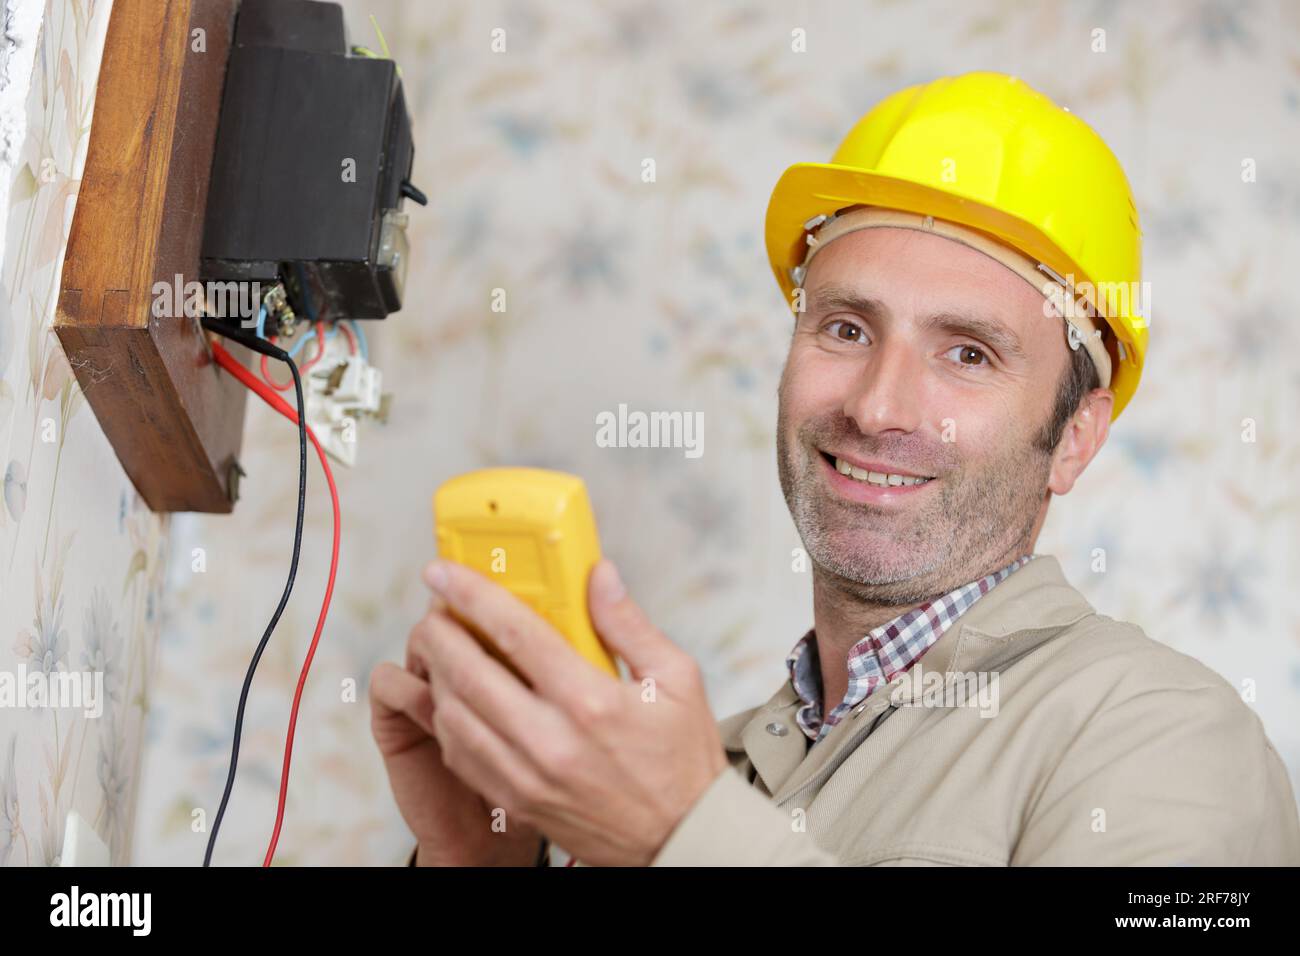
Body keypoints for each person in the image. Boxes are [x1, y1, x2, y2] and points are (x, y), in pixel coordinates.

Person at [371, 71, 1300, 866]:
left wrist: (683, 836)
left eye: (969, 353)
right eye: (846, 329)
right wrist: (483, 857)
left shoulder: (1172, 736)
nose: (875, 407)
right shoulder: (699, 765)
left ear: (1074, 437)